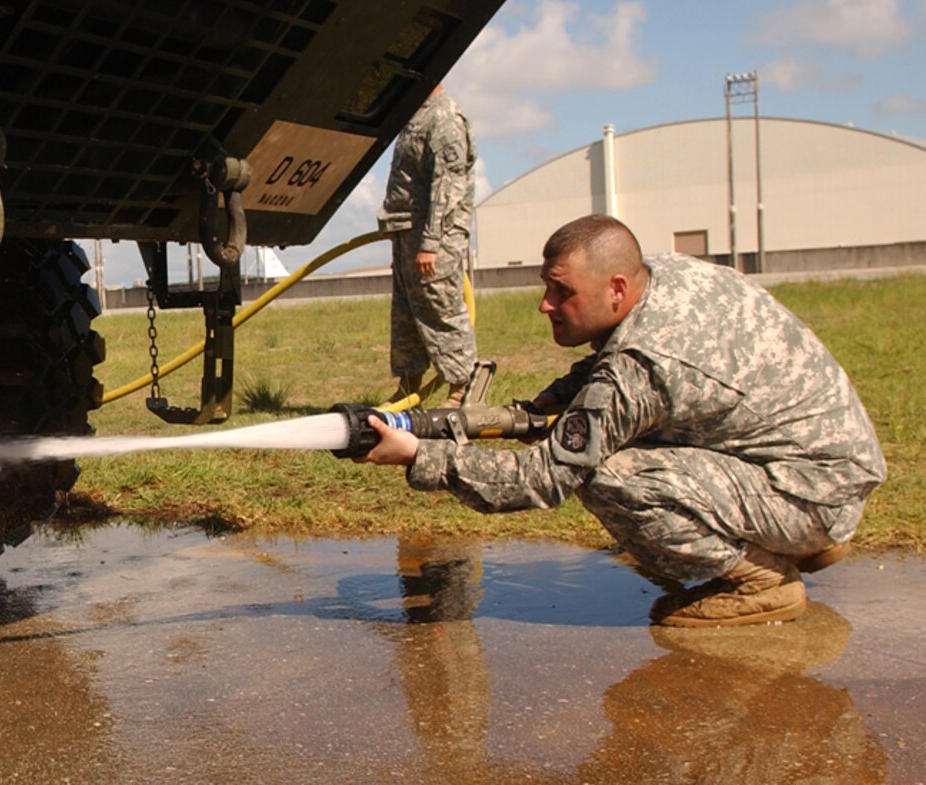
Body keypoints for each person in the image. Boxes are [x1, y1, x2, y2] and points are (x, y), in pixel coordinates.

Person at [357, 214, 887, 628]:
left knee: (608, 476)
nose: (545, 304)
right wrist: (542, 404)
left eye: (562, 291)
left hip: (812, 488)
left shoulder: (639, 369)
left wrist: (419, 455)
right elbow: (603, 366)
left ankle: (760, 581)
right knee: (623, 446)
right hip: (819, 466)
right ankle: (802, 539)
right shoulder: (659, 275)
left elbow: (542, 478)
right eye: (547, 286)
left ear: (615, 289)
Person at [380, 84, 478, 406]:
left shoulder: (444, 118)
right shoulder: (417, 116)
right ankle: (409, 388)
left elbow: (446, 186)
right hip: (409, 232)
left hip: (435, 236)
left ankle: (462, 389)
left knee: (441, 309)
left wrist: (431, 243)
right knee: (406, 313)